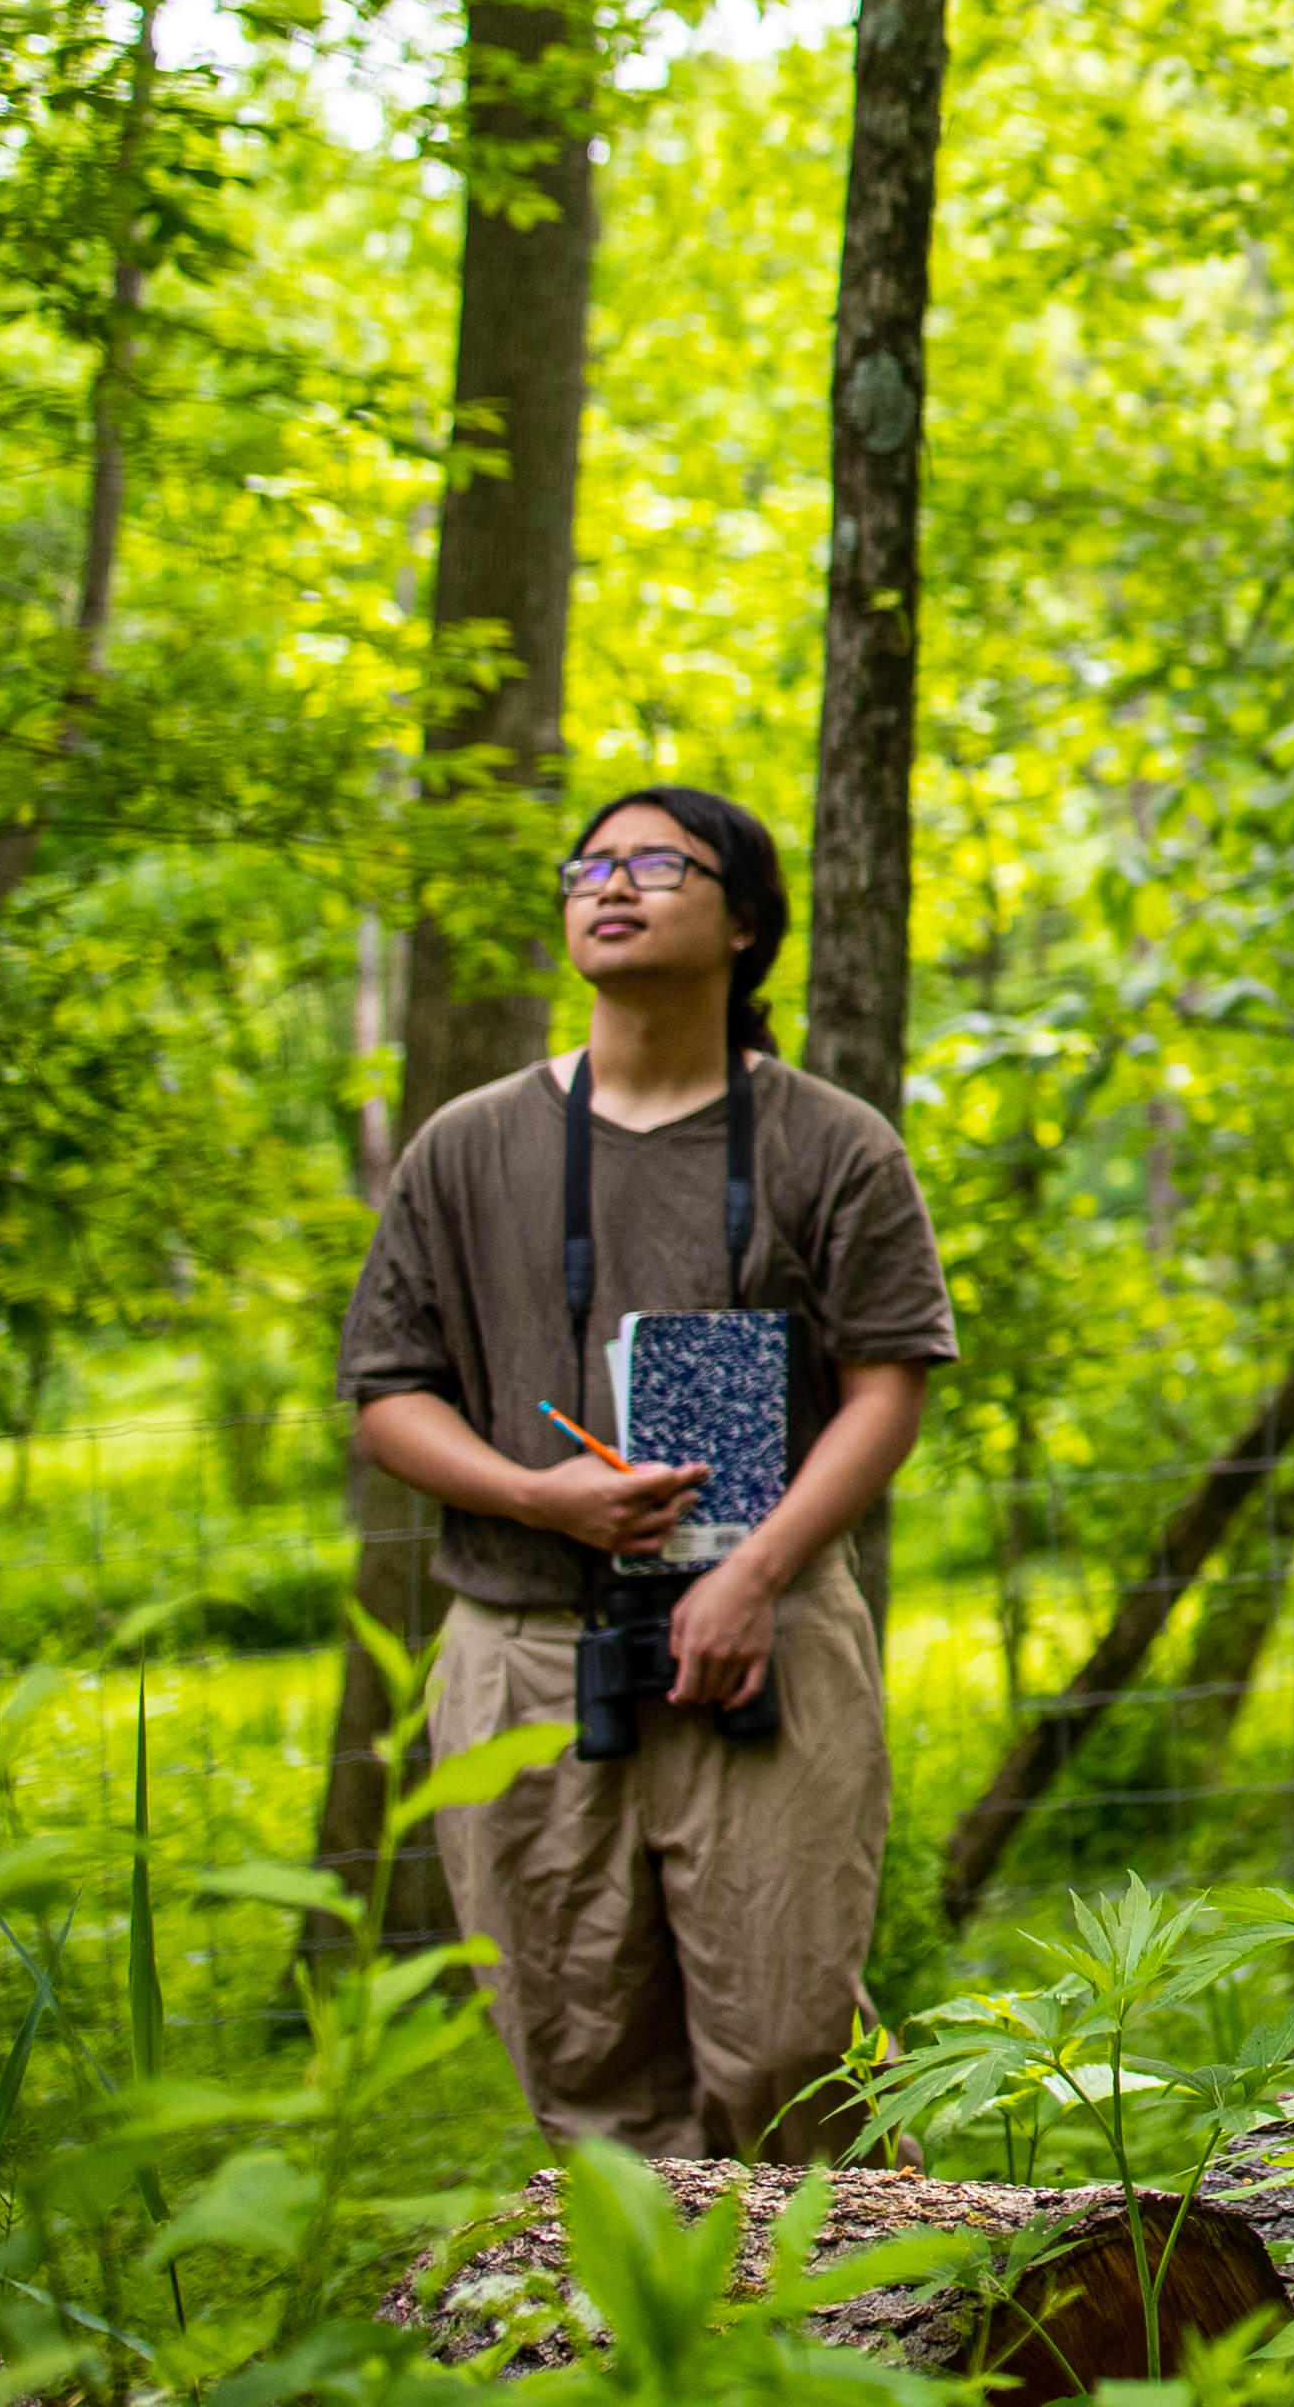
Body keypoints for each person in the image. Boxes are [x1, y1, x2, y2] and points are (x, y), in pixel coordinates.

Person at [341, 785, 955, 2158]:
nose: (609, 885)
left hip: (765, 1634)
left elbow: (887, 1391)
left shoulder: (830, 1143)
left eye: (655, 865)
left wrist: (754, 1573)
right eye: (588, 866)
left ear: (746, 922)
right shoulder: (470, 1144)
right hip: (526, 1641)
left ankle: (858, 2335)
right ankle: (652, 2348)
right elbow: (390, 1398)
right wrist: (532, 1495)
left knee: (796, 2043)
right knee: (579, 2054)